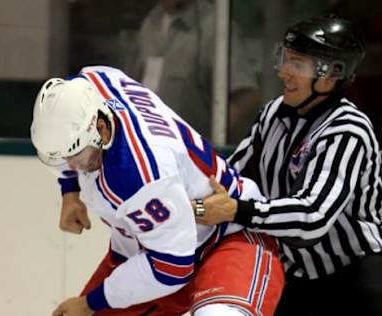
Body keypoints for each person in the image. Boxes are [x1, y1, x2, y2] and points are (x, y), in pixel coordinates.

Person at [31, 66, 284, 315]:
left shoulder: (135, 176)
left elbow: (171, 267)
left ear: (101, 129)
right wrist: (70, 191)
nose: (74, 166)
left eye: (79, 156)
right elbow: (65, 109)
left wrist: (89, 303)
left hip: (228, 238)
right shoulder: (94, 83)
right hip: (160, 244)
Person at [194, 15, 382, 315]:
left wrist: (236, 209)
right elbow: (229, 175)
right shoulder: (274, 114)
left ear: (332, 74)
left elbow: (312, 217)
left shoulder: (348, 130)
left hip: (352, 279)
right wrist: (186, 199)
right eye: (284, 59)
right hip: (293, 272)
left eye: (298, 65)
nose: (284, 72)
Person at [124, 0, 260, 141]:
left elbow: (248, 95)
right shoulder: (150, 22)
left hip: (188, 153)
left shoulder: (214, 24)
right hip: (145, 145)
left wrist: (210, 145)